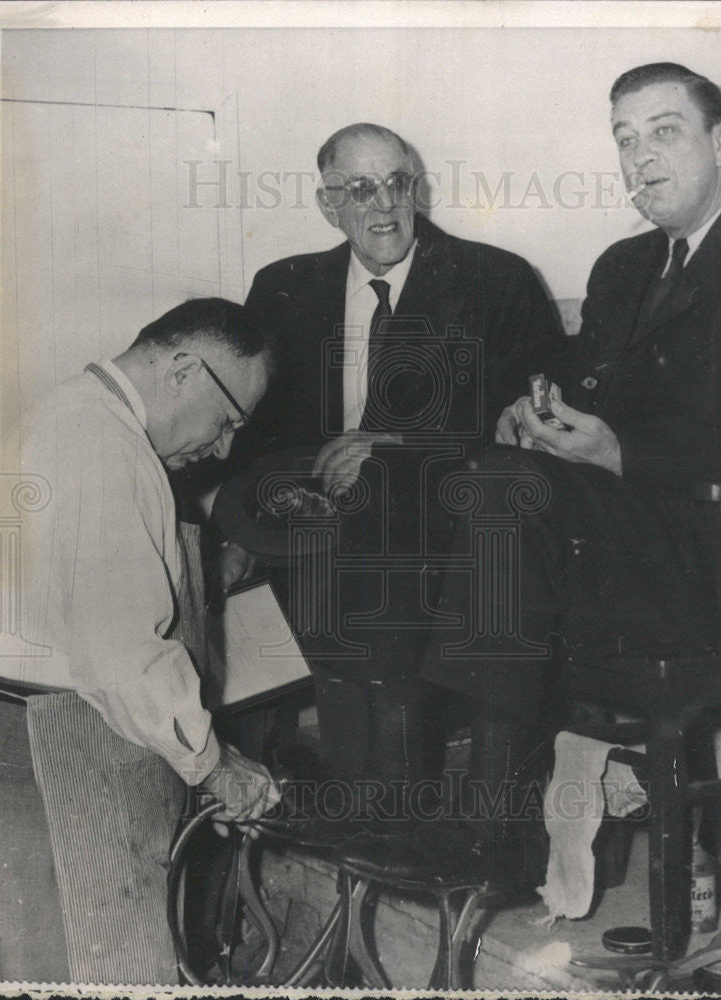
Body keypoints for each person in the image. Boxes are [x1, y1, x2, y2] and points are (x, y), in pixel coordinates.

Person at [419, 63, 721, 850]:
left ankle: (486, 830)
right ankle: (479, 811)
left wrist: (620, 450)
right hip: (628, 547)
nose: (638, 157)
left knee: (504, 503)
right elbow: (582, 386)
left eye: (663, 132)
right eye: (623, 139)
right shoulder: (623, 265)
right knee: (473, 477)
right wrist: (530, 413)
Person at [230, 123, 566, 797]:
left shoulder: (494, 281)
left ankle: (386, 816)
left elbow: (533, 424)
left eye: (397, 184)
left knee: (369, 567)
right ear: (328, 203)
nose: (383, 206)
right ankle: (292, 803)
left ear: (417, 189)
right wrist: (229, 515)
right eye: (359, 189)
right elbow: (252, 429)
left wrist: (396, 449)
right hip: (313, 519)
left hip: (441, 520)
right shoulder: (284, 287)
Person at [4, 298, 283, 984]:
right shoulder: (102, 446)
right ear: (184, 369)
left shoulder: (75, 418)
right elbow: (122, 653)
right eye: (226, 421)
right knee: (113, 969)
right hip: (73, 746)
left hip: (68, 732)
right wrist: (213, 765)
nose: (221, 448)